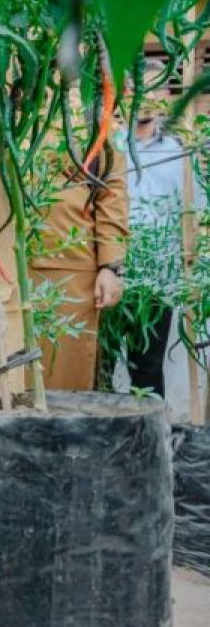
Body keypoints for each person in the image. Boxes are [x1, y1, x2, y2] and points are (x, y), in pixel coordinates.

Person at [116, 70, 207, 396]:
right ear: (127, 96)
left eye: (156, 90)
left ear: (166, 100)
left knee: (149, 369)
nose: (147, 99)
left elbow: (195, 211)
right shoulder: (108, 148)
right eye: (141, 91)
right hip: (111, 276)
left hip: (157, 279)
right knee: (99, 365)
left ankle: (150, 438)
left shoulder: (180, 153)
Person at [30, 101, 129, 390]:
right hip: (1, 266)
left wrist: (110, 266)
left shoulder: (94, 113)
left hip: (68, 269)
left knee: (63, 382)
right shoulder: (5, 98)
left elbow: (113, 193)